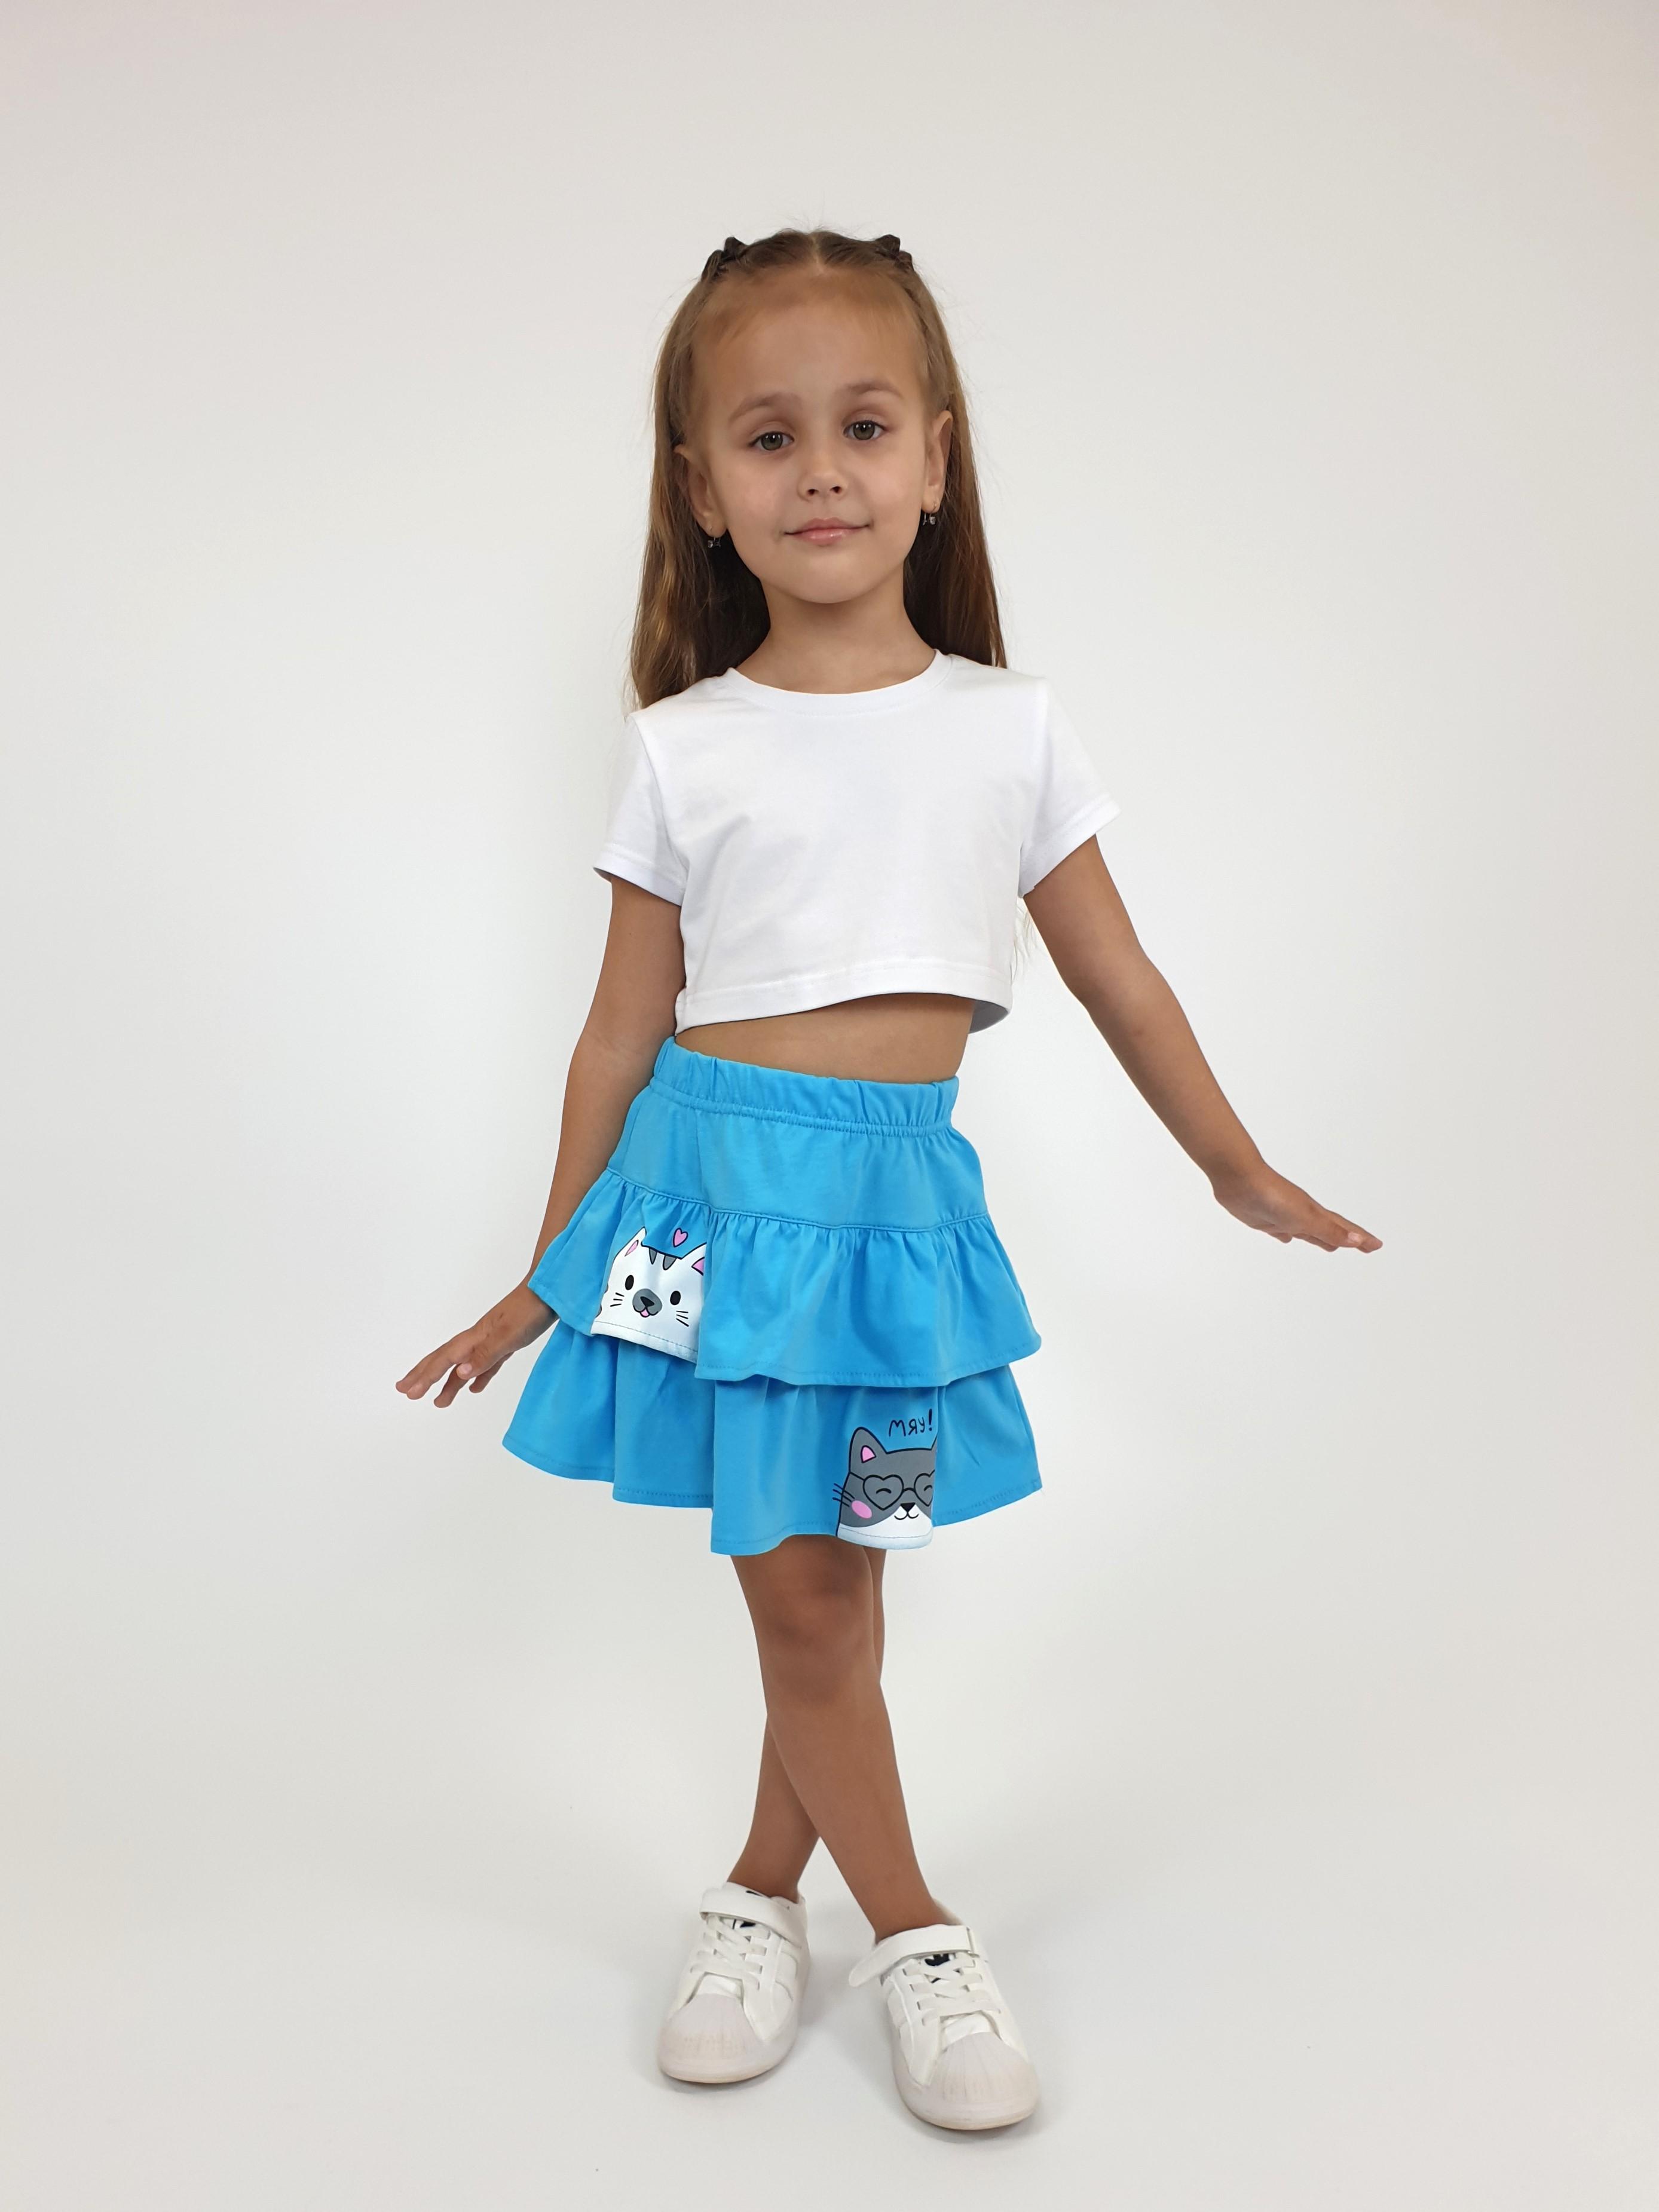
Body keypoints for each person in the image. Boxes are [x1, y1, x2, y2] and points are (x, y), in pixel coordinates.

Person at [396, 227, 1381, 2133]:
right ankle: (919, 1934)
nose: (822, 472)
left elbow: (1119, 975)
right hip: (706, 1215)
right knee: (812, 1607)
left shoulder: (1009, 729)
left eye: (863, 426)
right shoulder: (686, 748)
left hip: (898, 1232)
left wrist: (1234, 1166)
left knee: (840, 1580)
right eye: (768, 437)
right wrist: (544, 1271)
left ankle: (761, 1893)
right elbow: (616, 1033)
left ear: (938, 454)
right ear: (703, 490)